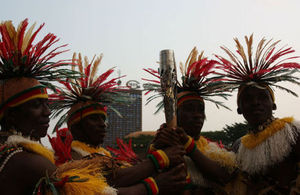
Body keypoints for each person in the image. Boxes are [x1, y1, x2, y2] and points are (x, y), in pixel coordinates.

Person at [0, 19, 116, 195]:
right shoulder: (25, 161)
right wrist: (157, 171)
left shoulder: (15, 154)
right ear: (11, 116)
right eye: (37, 105)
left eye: (47, 104)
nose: (47, 112)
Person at [49, 52, 188, 195]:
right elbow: (111, 181)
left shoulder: (104, 154)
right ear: (76, 128)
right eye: (94, 119)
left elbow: (132, 173)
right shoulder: (71, 157)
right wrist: (160, 159)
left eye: (103, 119)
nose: (103, 124)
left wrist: (157, 146)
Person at [144, 47, 237, 194]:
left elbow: (223, 176)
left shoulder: (213, 150)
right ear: (175, 113)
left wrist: (189, 146)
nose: (197, 115)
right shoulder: (161, 144)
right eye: (189, 109)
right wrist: (156, 148)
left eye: (200, 109)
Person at [216, 34, 300, 194]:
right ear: (239, 109)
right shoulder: (239, 146)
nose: (255, 102)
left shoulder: (292, 132)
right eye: (248, 99)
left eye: (262, 97)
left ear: (273, 104)